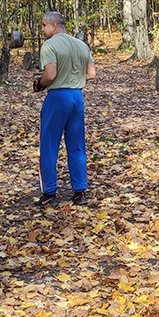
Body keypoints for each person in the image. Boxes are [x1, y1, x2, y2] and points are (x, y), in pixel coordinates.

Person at [33, 12, 96, 207]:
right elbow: (91, 74)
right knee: (77, 144)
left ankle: (50, 194)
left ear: (53, 25)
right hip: (77, 97)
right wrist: (73, 80)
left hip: (57, 98)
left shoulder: (49, 45)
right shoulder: (81, 44)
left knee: (49, 145)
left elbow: (50, 75)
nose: (42, 30)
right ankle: (80, 192)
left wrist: (39, 84)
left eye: (44, 25)